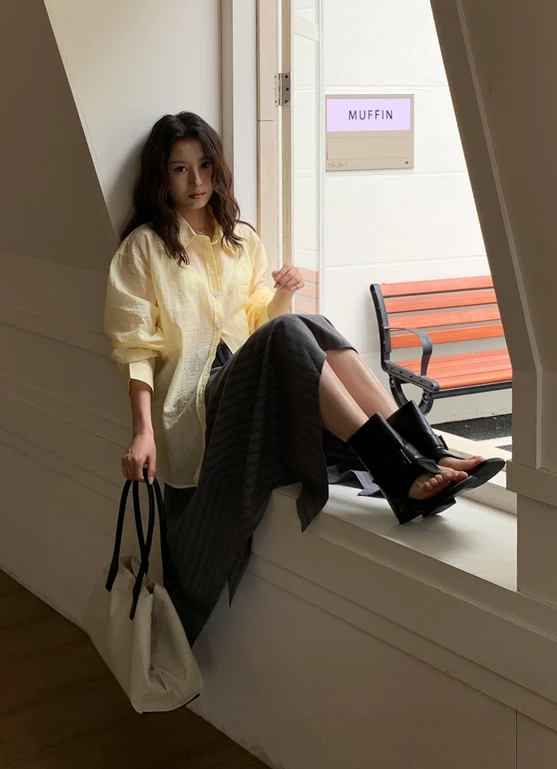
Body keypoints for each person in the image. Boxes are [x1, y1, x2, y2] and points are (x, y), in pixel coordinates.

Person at [104, 112, 504, 643]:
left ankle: (424, 453)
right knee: (297, 328)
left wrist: (283, 295)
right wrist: (142, 432)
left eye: (205, 166)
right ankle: (404, 465)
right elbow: (136, 347)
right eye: (180, 169)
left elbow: (262, 328)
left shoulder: (241, 241)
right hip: (197, 406)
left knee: (306, 322)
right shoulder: (143, 248)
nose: (196, 181)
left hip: (245, 384)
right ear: (161, 176)